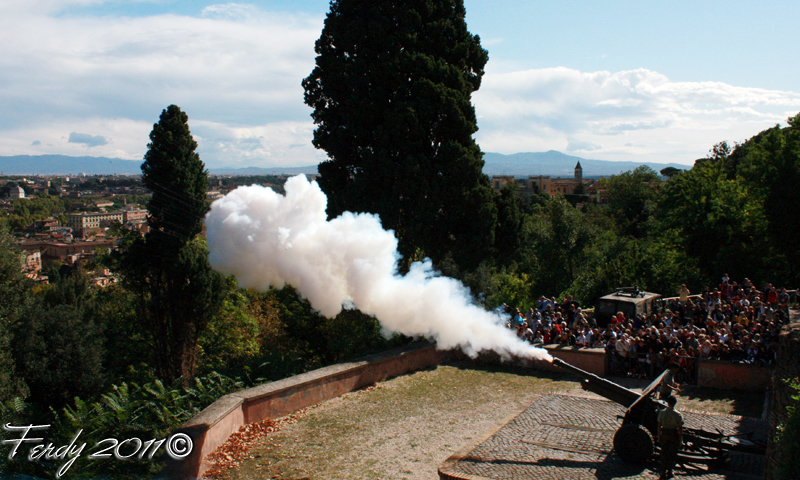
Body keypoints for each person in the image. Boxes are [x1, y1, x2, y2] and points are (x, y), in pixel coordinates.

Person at [657, 395, 684, 479]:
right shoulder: (678, 415)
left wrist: (659, 436)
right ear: (675, 403)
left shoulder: (662, 412)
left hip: (665, 433)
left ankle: (663, 471)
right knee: (672, 453)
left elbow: (659, 426)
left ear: (668, 403)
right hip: (673, 434)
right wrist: (681, 439)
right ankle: (670, 471)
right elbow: (680, 428)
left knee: (664, 452)